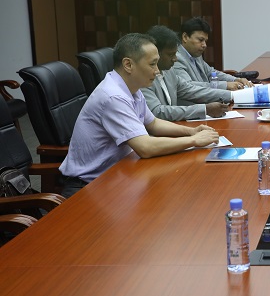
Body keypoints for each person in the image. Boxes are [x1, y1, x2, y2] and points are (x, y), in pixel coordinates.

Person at [59, 33, 221, 198]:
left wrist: (191, 131)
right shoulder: (113, 96)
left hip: (118, 174)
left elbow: (153, 123)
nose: (157, 71)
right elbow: (145, 147)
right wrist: (194, 141)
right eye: (152, 64)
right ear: (128, 65)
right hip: (88, 187)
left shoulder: (131, 87)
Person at [142, 25, 231, 121]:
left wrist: (232, 95)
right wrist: (205, 109)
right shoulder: (143, 77)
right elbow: (157, 112)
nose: (175, 59)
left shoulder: (169, 72)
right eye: (171, 54)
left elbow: (191, 90)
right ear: (155, 53)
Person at [173, 17, 252, 105]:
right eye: (200, 40)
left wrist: (236, 79)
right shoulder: (176, 59)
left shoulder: (196, 54)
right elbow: (189, 87)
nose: (204, 45)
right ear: (185, 37)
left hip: (208, 103)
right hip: (192, 108)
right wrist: (225, 85)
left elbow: (211, 73)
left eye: (205, 41)